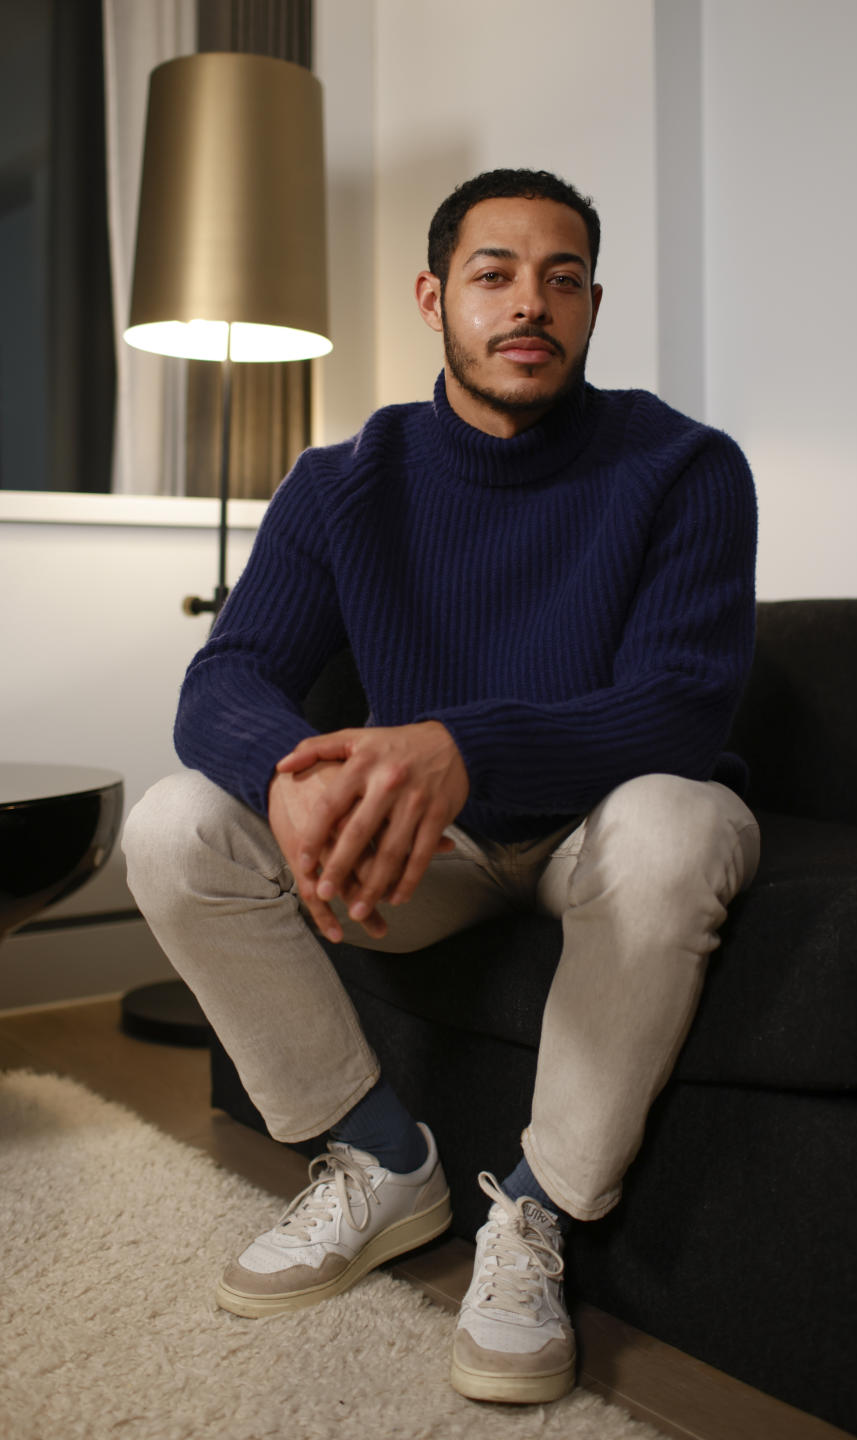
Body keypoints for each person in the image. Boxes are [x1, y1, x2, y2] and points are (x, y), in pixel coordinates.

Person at [123, 167, 761, 1407]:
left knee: (679, 820)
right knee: (174, 824)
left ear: (588, 307)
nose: (532, 304)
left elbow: (683, 707)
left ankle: (534, 1218)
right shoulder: (343, 482)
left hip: (605, 832)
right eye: (496, 274)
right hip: (437, 855)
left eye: (563, 280)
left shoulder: (685, 467)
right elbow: (226, 679)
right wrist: (288, 775)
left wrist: (461, 743)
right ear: (434, 297)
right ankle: (375, 1161)